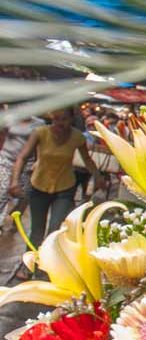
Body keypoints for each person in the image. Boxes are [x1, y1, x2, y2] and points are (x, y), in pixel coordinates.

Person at [9, 108, 107, 264]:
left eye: (64, 119)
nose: (60, 123)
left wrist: (98, 177)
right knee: (37, 231)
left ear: (71, 119)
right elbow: (23, 157)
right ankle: (29, 264)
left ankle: (47, 264)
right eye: (56, 119)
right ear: (52, 118)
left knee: (54, 229)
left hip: (65, 188)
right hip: (39, 186)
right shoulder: (40, 133)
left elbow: (87, 159)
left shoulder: (77, 137)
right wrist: (15, 181)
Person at [0, 109, 45, 228]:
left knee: (24, 194)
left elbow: (40, 142)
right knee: (3, 191)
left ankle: (16, 214)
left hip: (27, 163)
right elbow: (2, 135)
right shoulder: (8, 119)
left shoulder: (39, 123)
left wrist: (39, 160)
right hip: (6, 159)